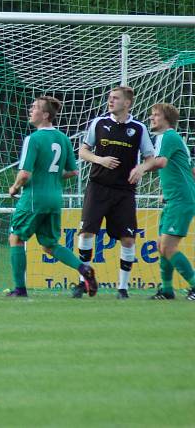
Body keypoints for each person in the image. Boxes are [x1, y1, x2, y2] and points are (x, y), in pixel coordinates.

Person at [6, 96, 98, 298]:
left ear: (45, 115)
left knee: (17, 238)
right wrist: (52, 177)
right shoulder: (63, 138)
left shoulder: (33, 139)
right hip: (55, 198)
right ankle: (83, 269)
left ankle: (20, 289)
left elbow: (24, 174)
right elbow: (73, 172)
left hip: (34, 197)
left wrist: (14, 188)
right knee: (49, 244)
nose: (31, 110)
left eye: (35, 107)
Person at [72, 86, 154, 299]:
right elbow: (83, 150)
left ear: (127, 103)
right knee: (87, 233)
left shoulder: (138, 128)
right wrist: (100, 160)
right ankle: (84, 282)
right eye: (109, 98)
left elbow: (150, 158)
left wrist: (141, 168)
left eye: (115, 98)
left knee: (127, 239)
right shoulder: (99, 123)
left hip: (124, 191)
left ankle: (123, 288)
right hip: (98, 187)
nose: (110, 101)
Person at [128, 103, 195, 300]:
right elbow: (189, 170)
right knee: (161, 246)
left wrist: (141, 168)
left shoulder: (168, 136)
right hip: (175, 198)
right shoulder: (166, 138)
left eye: (155, 115)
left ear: (166, 119)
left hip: (180, 200)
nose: (151, 118)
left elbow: (161, 162)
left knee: (168, 247)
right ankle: (166, 289)